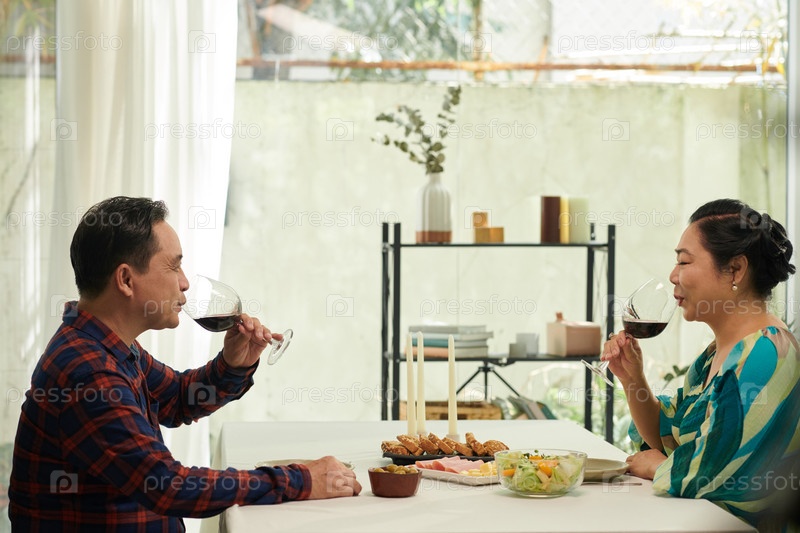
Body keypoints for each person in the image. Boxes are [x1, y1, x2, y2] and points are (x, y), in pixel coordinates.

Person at [8, 196, 361, 531]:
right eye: (174, 265)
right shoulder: (89, 372)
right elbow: (167, 485)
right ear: (126, 280)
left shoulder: (107, 345)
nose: (185, 282)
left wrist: (233, 364)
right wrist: (301, 480)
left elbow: (176, 397)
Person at [602, 198, 799, 531]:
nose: (673, 275)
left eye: (684, 261)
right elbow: (669, 435)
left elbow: (710, 473)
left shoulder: (768, 353)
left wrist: (657, 468)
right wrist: (632, 378)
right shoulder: (714, 354)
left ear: (735, 270)